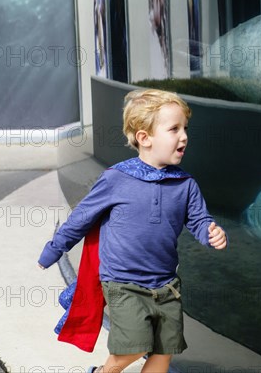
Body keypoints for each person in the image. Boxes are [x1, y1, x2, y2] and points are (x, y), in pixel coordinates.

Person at [37, 89, 228, 373]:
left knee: (164, 353)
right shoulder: (116, 179)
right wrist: (55, 248)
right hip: (123, 283)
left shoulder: (186, 184)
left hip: (166, 285)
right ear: (144, 138)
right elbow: (82, 217)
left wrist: (211, 233)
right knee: (134, 346)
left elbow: (200, 220)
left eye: (185, 128)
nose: (184, 136)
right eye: (174, 129)